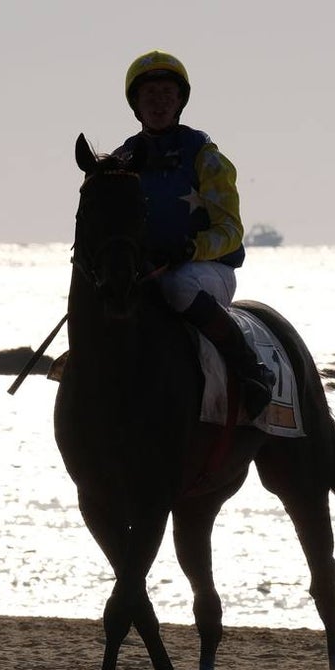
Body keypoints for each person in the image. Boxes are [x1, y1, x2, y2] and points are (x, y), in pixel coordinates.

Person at [115, 50, 274, 418]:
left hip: (206, 272)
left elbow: (232, 231)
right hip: (147, 270)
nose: (158, 103)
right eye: (150, 95)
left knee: (177, 286)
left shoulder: (206, 156)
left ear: (180, 102)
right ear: (136, 104)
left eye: (167, 94)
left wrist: (191, 247)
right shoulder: (122, 159)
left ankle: (250, 369)